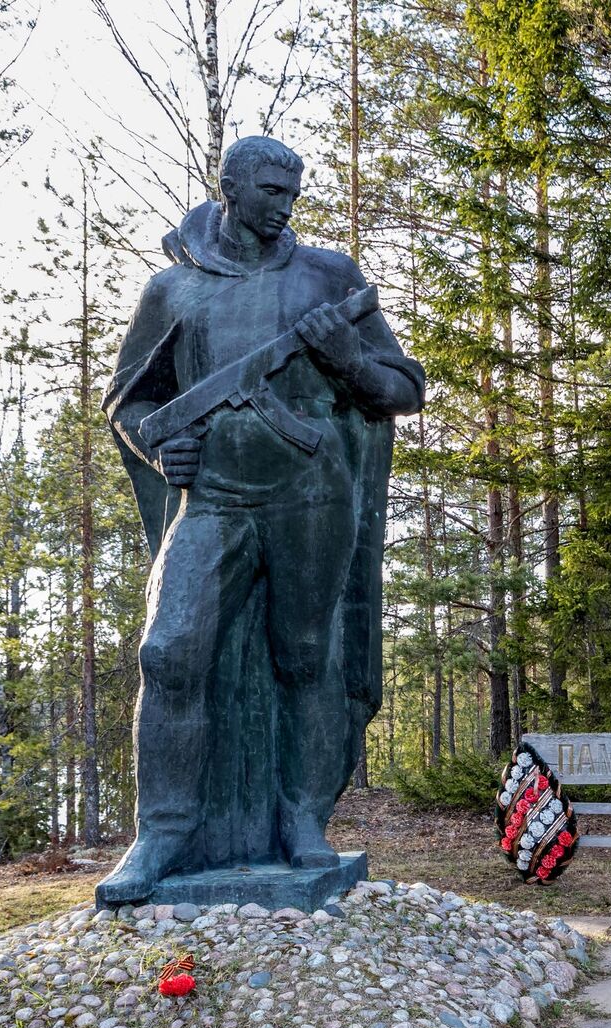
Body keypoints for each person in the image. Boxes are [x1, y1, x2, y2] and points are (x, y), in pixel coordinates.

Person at [96, 136, 423, 908]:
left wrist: (347, 359)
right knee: (168, 651)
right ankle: (162, 831)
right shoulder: (173, 289)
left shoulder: (328, 276)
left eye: (293, 193)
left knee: (305, 656)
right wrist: (156, 446)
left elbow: (404, 388)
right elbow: (128, 403)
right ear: (231, 189)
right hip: (213, 497)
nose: (286, 206)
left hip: (311, 494)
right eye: (272, 191)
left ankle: (302, 818)